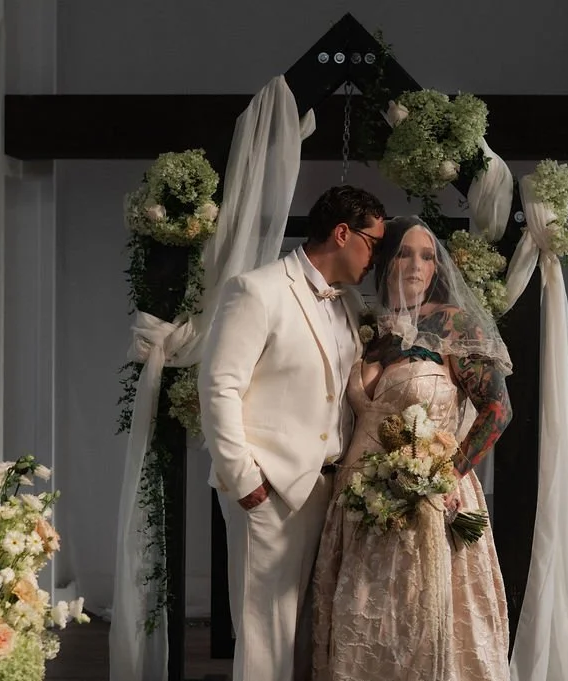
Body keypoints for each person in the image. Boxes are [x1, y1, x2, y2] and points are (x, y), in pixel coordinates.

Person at [311, 216, 513, 681]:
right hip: (359, 498)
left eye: (427, 255)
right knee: (365, 619)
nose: (416, 265)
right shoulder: (371, 330)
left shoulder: (455, 326)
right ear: (384, 261)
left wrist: (448, 476)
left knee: (424, 621)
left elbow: (498, 412)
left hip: (431, 500)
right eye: (404, 253)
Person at [198, 185, 387, 681]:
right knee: (265, 641)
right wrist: (247, 484)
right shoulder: (255, 290)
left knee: (309, 634)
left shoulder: (347, 304)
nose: (376, 257)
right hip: (270, 490)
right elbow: (218, 388)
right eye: (373, 242)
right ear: (342, 233)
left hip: (327, 488)